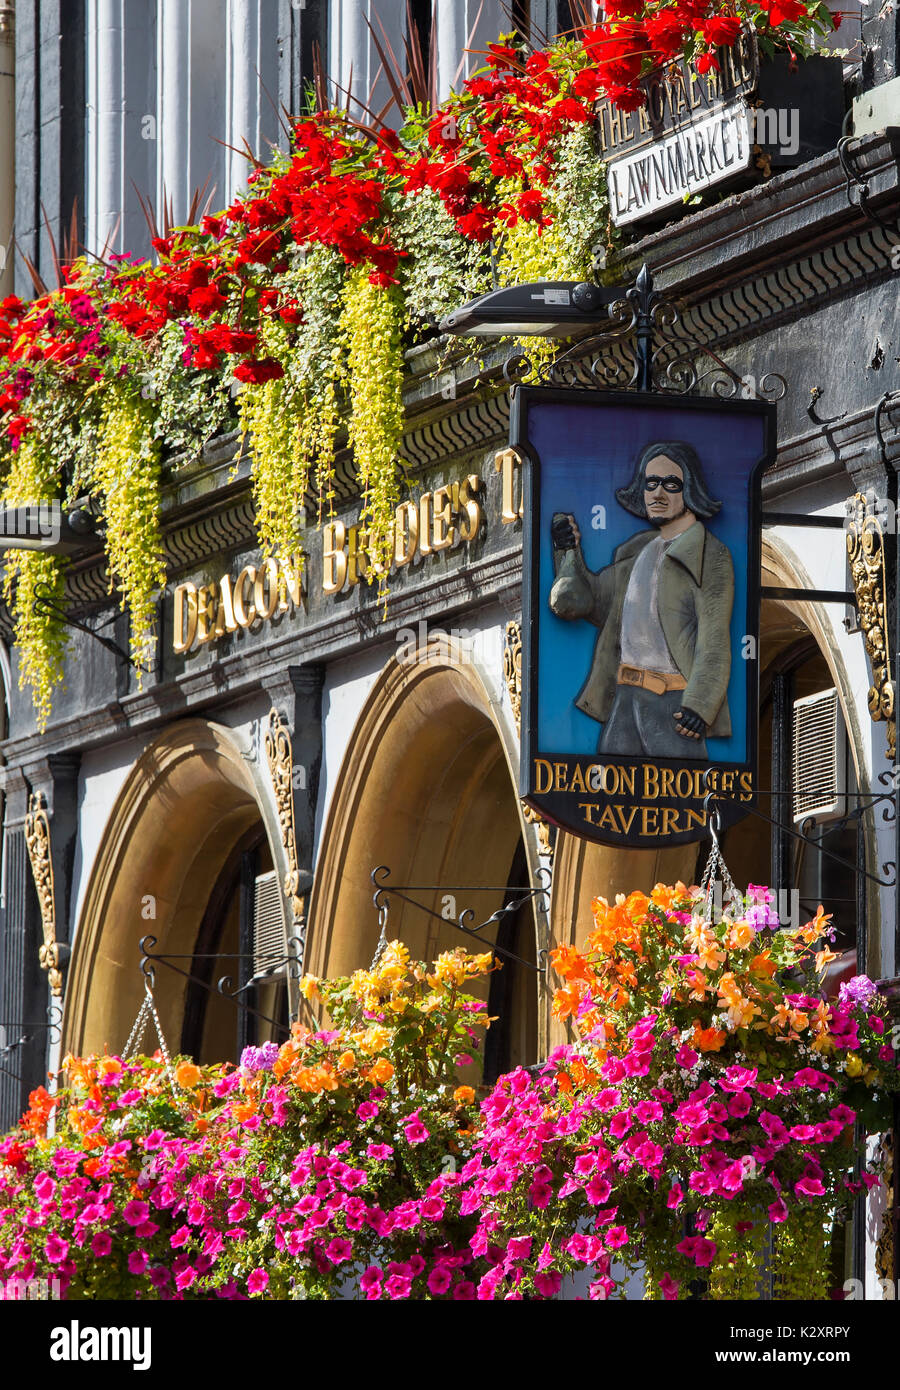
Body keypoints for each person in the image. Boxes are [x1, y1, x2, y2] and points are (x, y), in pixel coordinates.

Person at [548, 439, 734, 759]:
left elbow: (714, 641)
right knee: (607, 801)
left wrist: (699, 706)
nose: (658, 493)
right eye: (651, 484)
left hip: (674, 706)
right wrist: (567, 549)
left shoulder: (710, 555)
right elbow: (587, 602)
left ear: (690, 490)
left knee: (684, 804)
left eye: (670, 484)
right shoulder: (637, 550)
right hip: (624, 698)